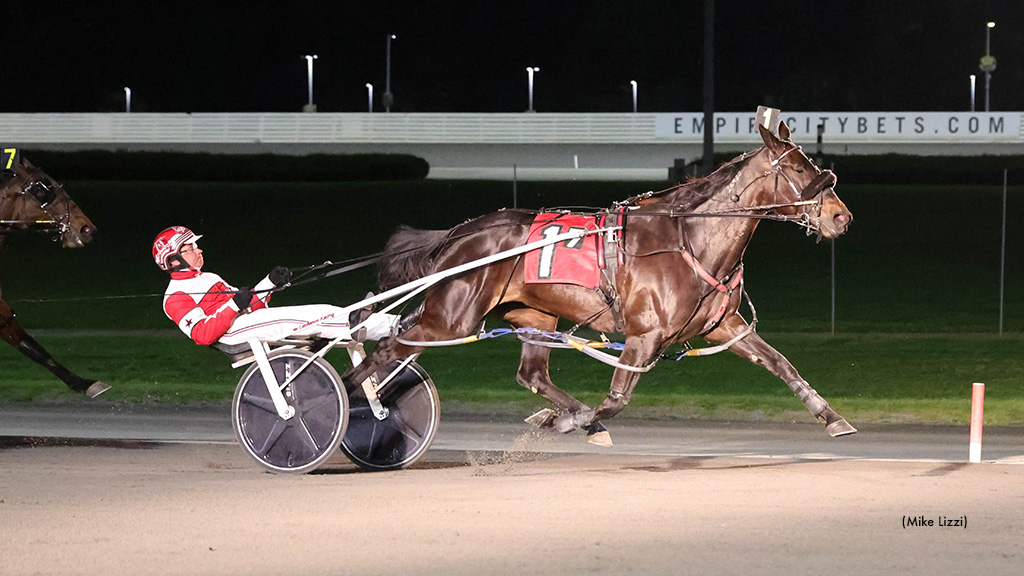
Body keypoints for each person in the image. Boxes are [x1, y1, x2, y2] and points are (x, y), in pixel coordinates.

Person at [153, 226, 397, 348]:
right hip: (231, 333)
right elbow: (202, 334)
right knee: (313, 317)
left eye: (196, 245)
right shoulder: (175, 297)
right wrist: (233, 303)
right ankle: (387, 327)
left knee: (316, 310)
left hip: (245, 322)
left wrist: (269, 282)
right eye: (191, 248)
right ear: (174, 260)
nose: (199, 250)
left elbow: (249, 304)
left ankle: (387, 324)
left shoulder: (209, 277)